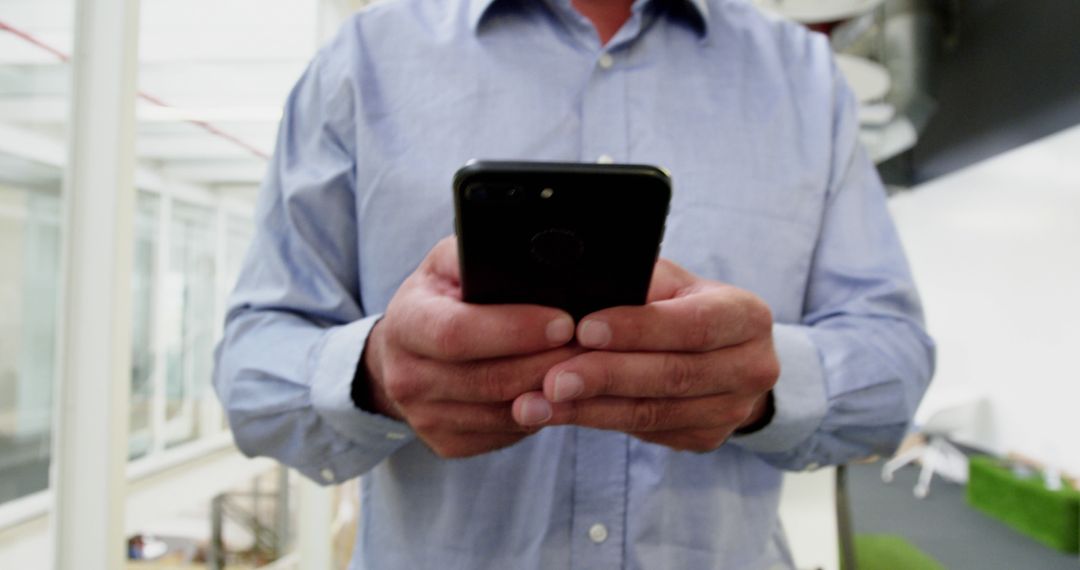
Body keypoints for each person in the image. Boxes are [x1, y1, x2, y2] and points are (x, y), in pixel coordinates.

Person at [212, 0, 936, 568]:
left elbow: (894, 363)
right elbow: (249, 371)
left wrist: (764, 386)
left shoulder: (806, 77)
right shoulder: (363, 59)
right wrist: (374, 375)